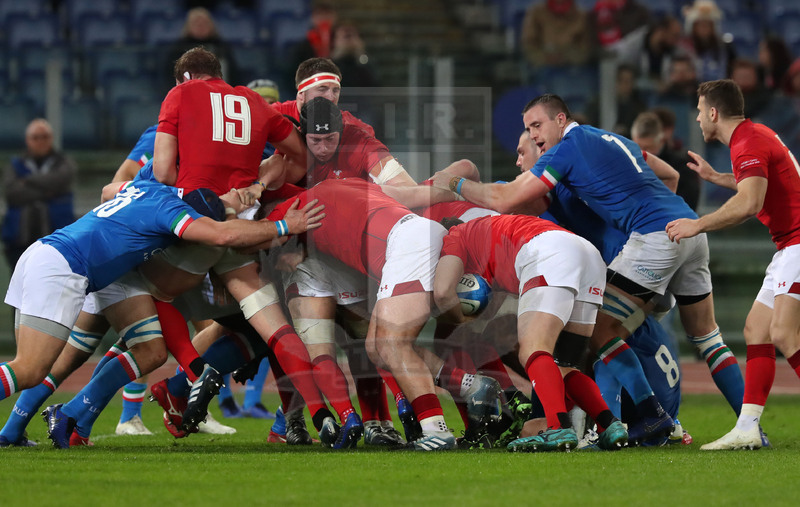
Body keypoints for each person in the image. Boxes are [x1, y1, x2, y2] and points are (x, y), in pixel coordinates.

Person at [430, 93, 734, 445]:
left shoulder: (543, 184)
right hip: (626, 259)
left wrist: (450, 184)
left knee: (545, 347)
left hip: (627, 263)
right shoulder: (597, 155)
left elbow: (501, 197)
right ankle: (629, 422)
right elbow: (669, 175)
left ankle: (576, 426)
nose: (518, 161)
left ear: (554, 133)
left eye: (525, 145)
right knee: (578, 353)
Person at [267, 178, 500, 451]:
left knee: (391, 344)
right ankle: (469, 385)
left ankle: (435, 430)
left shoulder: (287, 210)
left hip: (405, 244)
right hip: (416, 237)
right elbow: (411, 192)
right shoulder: (350, 184)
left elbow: (250, 237)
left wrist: (276, 227)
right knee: (377, 347)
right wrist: (453, 186)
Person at [666, 79, 800, 450]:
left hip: (799, 245)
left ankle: (748, 427)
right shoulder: (754, 135)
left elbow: (750, 204)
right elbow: (756, 185)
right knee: (756, 330)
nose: (695, 117)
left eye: (698, 110)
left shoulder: (748, 142)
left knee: (786, 335)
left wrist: (698, 224)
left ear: (713, 112)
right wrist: (715, 178)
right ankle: (747, 427)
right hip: (789, 247)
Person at [434, 212, 629, 452]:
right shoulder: (485, 236)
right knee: (564, 364)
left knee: (533, 349)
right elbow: (489, 310)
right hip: (586, 255)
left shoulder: (454, 236)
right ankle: (610, 425)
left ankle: (557, 427)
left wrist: (449, 315)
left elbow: (443, 294)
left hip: (547, 252)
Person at [2, 119, 75, 269]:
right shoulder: (15, 165)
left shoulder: (64, 162)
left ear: (51, 138)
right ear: (27, 140)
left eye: (45, 136)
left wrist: (27, 181)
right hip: (19, 241)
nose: (41, 141)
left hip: (56, 241)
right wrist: (48, 192)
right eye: (36, 137)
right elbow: (12, 193)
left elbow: (60, 181)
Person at [631, 111, 700, 210]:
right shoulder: (625, 162)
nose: (642, 153)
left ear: (661, 141)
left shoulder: (682, 166)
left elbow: (688, 206)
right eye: (638, 147)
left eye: (648, 148)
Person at [163, 7, 239, 93]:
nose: (200, 25)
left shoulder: (221, 47)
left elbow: (234, 75)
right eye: (196, 23)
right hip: (187, 96)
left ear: (211, 25)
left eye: (204, 22)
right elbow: (168, 76)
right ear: (188, 26)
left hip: (220, 95)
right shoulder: (178, 48)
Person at [520, 0, 591, 68]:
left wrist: (565, 57)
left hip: (573, 68)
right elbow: (528, 44)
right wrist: (544, 57)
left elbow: (585, 50)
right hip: (541, 67)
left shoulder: (582, 16)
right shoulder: (536, 12)